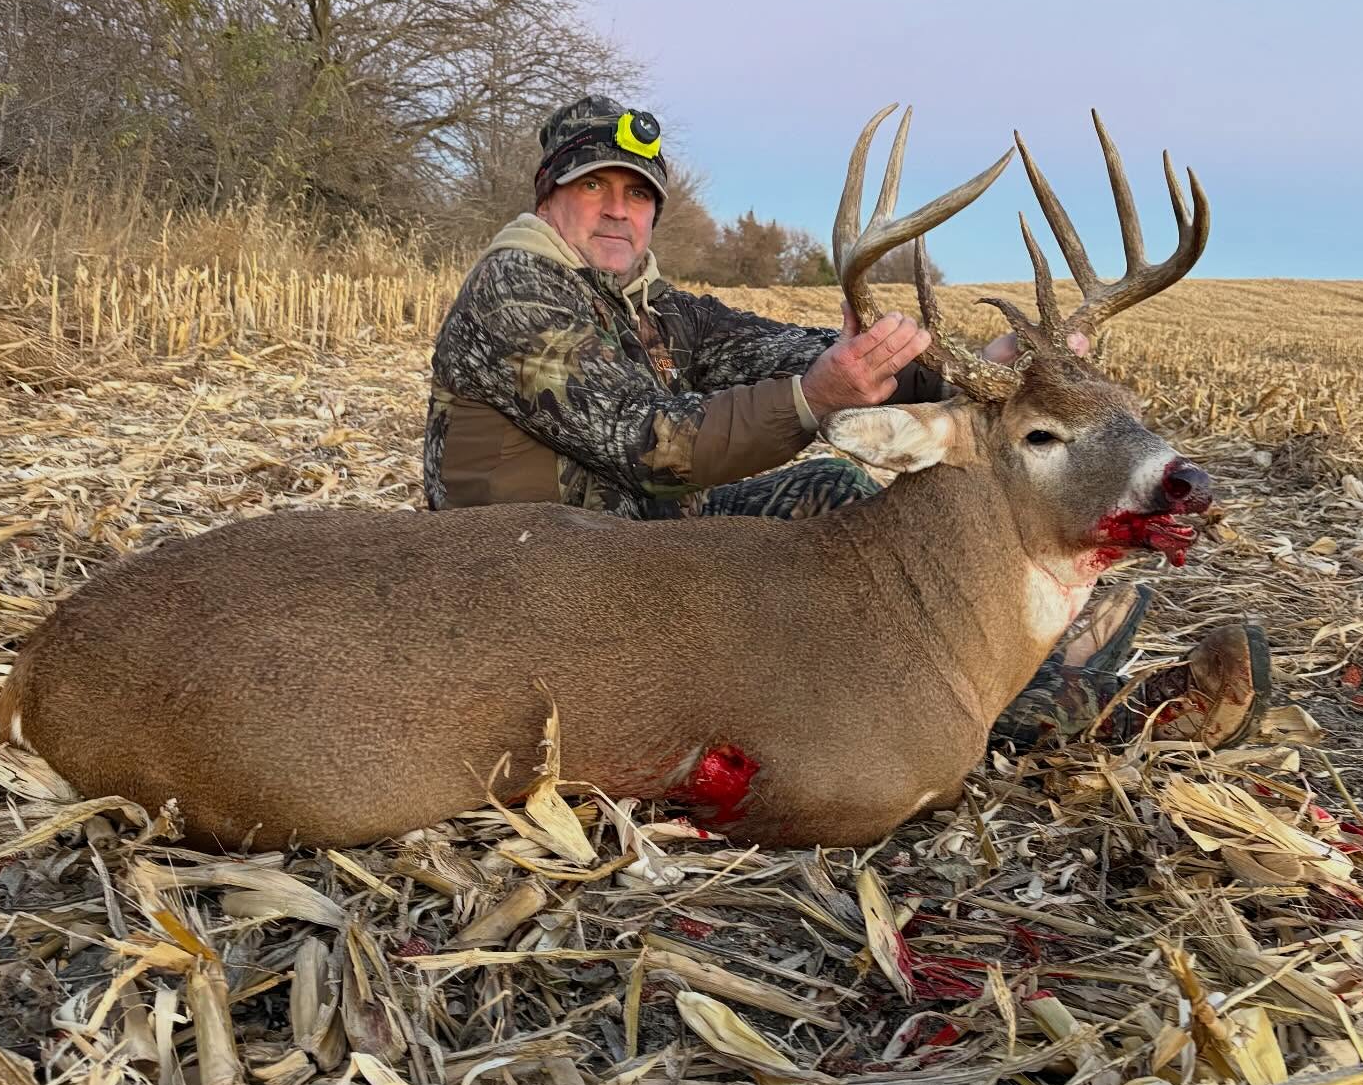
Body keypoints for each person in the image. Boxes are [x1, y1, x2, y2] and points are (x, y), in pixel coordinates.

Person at [424, 95, 1269, 750]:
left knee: (837, 486)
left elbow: (781, 348)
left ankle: (1023, 654)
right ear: (550, 196)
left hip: (641, 544)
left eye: (636, 194)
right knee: (821, 655)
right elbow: (656, 446)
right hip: (542, 581)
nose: (618, 211)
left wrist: (985, 366)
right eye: (594, 188)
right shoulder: (518, 292)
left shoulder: (645, 301)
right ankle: (1073, 717)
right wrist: (813, 400)